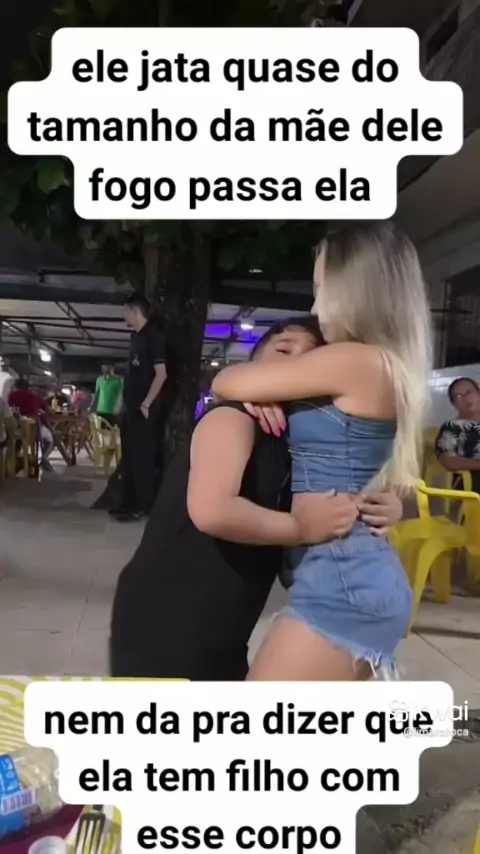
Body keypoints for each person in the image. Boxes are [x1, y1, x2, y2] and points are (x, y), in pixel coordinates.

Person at [110, 317, 403, 680]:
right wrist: (301, 527)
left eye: (311, 357)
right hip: (167, 611)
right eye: (283, 350)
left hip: (226, 617)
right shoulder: (232, 417)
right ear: (254, 365)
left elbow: (334, 490)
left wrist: (384, 505)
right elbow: (212, 510)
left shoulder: (297, 444)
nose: (297, 362)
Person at [213, 221, 431, 681]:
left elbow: (227, 379)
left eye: (321, 290)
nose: (314, 308)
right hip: (350, 575)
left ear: (357, 290)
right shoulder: (384, 365)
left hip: (343, 584)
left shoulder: (354, 360)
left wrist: (261, 389)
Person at [111, 293, 167, 522]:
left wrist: (146, 403)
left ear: (135, 311)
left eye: (126, 311)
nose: (123, 315)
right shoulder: (135, 337)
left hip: (144, 408)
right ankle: (128, 502)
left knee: (143, 458)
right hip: (130, 407)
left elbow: (161, 375)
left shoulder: (154, 337)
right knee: (130, 456)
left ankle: (143, 505)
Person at [435, 377, 480, 493]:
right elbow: (448, 461)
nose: (466, 398)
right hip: (471, 483)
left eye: (469, 392)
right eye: (458, 396)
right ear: (454, 405)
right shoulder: (451, 427)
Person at [8, 378, 55, 468]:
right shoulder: (35, 397)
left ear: (16, 386)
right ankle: (44, 457)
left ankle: (16, 461)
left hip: (15, 430)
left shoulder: (11, 395)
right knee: (50, 440)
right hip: (34, 430)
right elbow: (49, 412)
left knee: (18, 441)